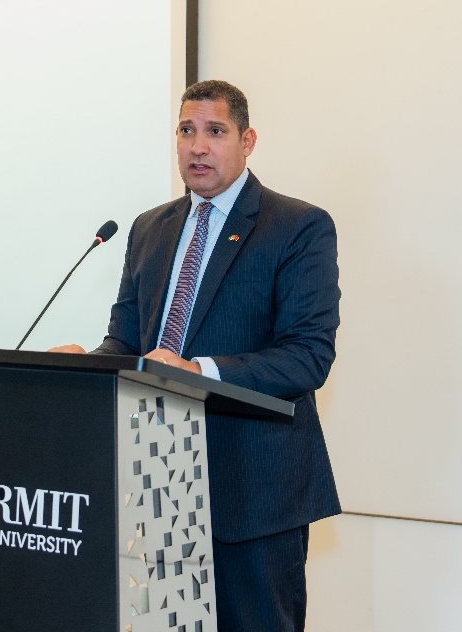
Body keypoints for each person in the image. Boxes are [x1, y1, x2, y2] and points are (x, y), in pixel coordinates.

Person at [52, 79, 340, 631]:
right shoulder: (149, 228)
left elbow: (308, 356)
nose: (198, 146)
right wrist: (84, 362)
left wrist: (199, 371)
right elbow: (127, 345)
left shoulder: (297, 226)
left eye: (215, 131)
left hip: (253, 492)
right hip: (155, 482)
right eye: (186, 130)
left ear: (247, 141)